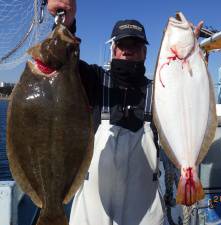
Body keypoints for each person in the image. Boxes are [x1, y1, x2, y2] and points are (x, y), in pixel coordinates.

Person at [47, 1, 203, 225]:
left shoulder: (160, 92)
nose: (128, 49)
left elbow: (187, 101)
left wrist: (190, 55)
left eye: (135, 44)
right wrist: (66, 24)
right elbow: (62, 62)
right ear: (113, 48)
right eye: (122, 44)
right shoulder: (93, 79)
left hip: (145, 208)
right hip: (93, 210)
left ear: (145, 51)